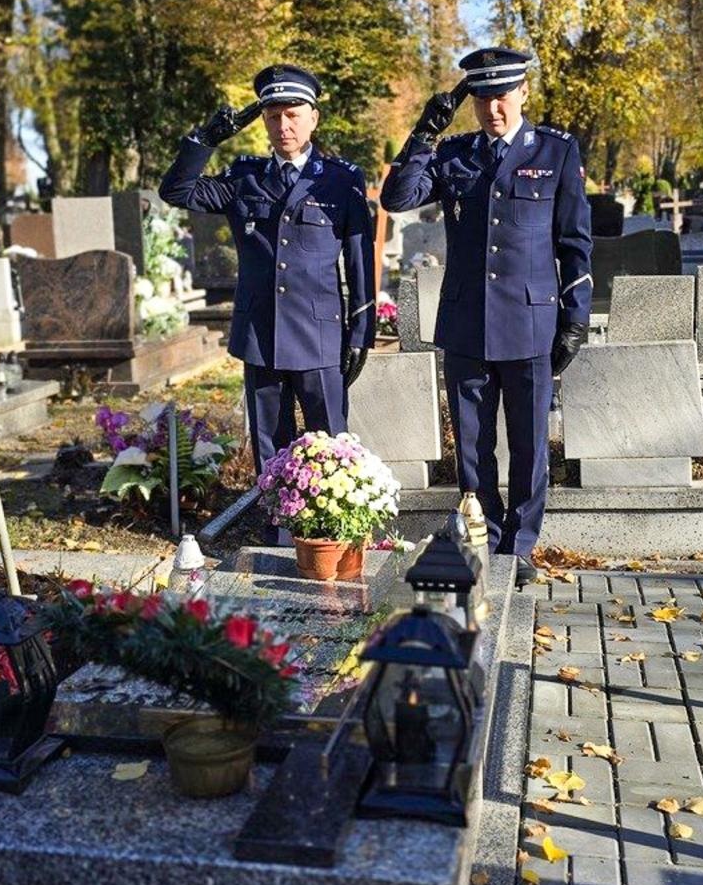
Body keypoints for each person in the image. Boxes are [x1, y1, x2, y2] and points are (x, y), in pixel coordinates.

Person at [381, 47, 592, 579]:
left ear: (523, 92)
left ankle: (519, 546)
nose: (493, 109)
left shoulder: (557, 152)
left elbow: (574, 243)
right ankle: (484, 533)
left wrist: (576, 316)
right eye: (481, 99)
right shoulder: (453, 154)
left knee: (527, 444)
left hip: (530, 323)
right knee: (473, 446)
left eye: (502, 96)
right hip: (467, 324)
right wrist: (424, 134)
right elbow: (397, 197)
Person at [159, 65, 375, 536]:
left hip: (319, 335)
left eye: (293, 114)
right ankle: (279, 540)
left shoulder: (340, 180)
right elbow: (176, 190)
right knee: (270, 448)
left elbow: (359, 262)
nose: (284, 126)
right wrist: (205, 140)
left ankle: (332, 538)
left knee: (330, 444)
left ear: (314, 118)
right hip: (261, 335)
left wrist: (361, 331)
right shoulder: (245, 178)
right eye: (273, 116)